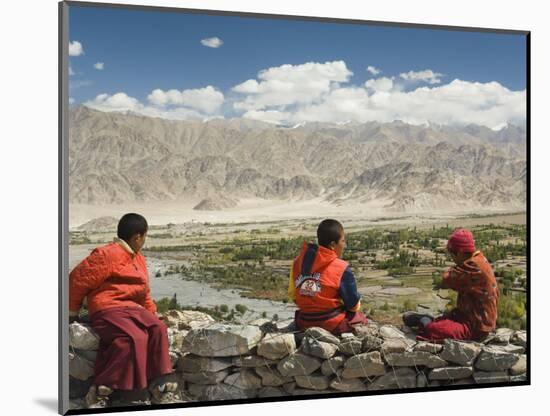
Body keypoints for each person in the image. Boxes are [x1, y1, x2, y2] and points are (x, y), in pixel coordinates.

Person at [69, 213, 177, 407]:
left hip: (132, 309)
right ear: (137, 237)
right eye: (144, 237)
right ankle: (103, 388)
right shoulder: (106, 254)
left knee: (158, 329)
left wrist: (151, 313)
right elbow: (77, 280)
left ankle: (159, 384)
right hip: (107, 307)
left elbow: (144, 290)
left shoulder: (139, 259)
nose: (144, 241)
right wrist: (72, 312)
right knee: (133, 338)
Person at [402, 228, 499, 342]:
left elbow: (447, 279)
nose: (452, 258)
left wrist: (455, 269)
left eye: (453, 254)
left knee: (433, 330)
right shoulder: (480, 258)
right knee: (443, 323)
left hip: (476, 326)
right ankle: (428, 320)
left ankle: (425, 320)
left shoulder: (473, 265)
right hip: (466, 316)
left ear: (461, 252)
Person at [288, 219, 368, 334]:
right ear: (332, 245)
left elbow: (293, 295)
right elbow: (353, 306)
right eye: (342, 241)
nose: (344, 245)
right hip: (331, 323)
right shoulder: (341, 267)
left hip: (303, 322)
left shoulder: (297, 262)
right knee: (359, 317)